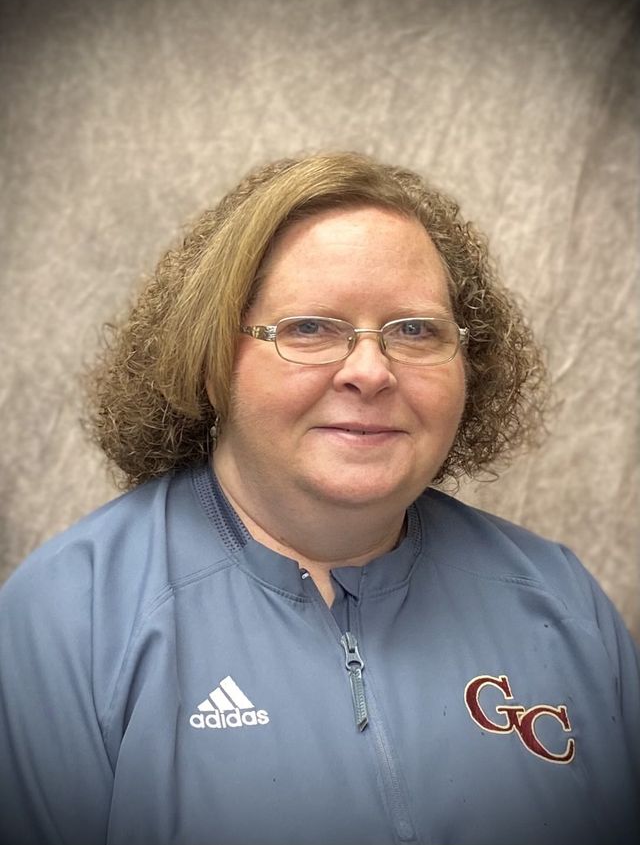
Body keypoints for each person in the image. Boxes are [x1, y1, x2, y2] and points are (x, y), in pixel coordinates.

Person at [0, 151, 637, 845]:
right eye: (309, 327)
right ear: (211, 361)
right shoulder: (70, 618)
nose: (371, 371)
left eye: (415, 330)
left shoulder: (560, 600)